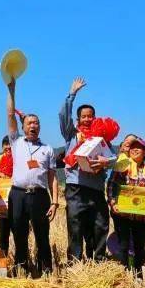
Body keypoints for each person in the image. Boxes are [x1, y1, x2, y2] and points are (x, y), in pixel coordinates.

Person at [6, 78, 59, 275]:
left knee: (42, 235)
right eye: (29, 123)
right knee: (19, 235)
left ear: (40, 127)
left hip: (39, 196)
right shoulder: (15, 142)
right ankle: (21, 269)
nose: (33, 125)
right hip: (17, 195)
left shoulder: (48, 149)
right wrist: (11, 91)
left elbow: (52, 177)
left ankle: (46, 271)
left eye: (36, 123)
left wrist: (55, 202)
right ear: (23, 126)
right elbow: (10, 114)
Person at [59, 77, 114, 262]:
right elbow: (62, 115)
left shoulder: (102, 138)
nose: (88, 119)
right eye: (84, 116)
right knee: (75, 225)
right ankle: (75, 261)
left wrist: (106, 162)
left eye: (91, 116)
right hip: (75, 187)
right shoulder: (72, 134)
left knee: (100, 224)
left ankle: (97, 259)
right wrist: (71, 95)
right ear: (78, 119)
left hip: (97, 188)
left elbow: (114, 159)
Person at [107, 137, 145, 275]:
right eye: (132, 147)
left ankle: (138, 274)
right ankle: (124, 273)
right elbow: (111, 186)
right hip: (122, 214)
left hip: (141, 216)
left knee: (139, 246)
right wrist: (112, 203)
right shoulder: (122, 166)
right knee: (124, 245)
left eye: (139, 147)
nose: (135, 149)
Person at [0, 135, 13, 254]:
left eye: (11, 144)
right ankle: (3, 265)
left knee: (20, 236)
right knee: (3, 237)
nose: (8, 147)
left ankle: (21, 266)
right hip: (1, 204)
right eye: (6, 144)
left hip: (16, 202)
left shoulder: (19, 158)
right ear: (2, 147)